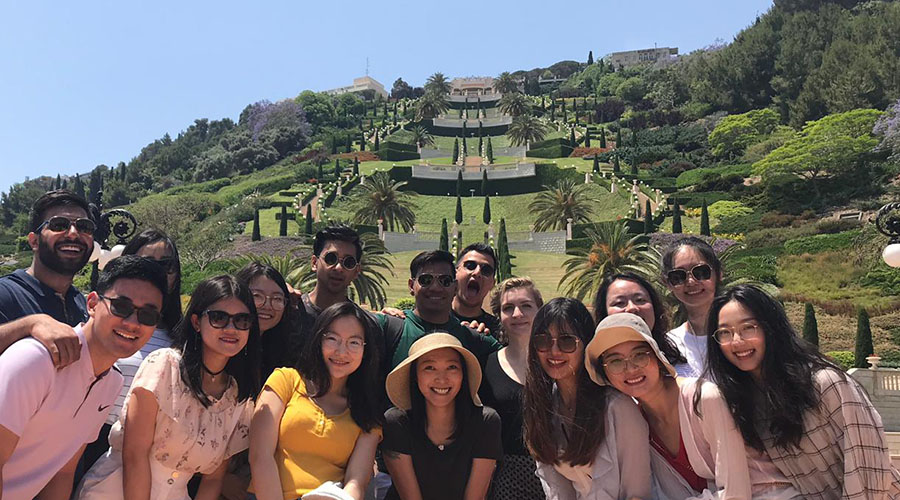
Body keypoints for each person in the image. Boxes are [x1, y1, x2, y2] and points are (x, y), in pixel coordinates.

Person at [74, 275, 262, 500]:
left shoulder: (236, 396)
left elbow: (213, 479)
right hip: (115, 491)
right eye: (219, 318)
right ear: (196, 322)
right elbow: (135, 455)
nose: (231, 328)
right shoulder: (164, 365)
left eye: (242, 321)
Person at [704, 285, 900, 498]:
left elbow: (869, 469)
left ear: (771, 328)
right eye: (725, 332)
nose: (737, 341)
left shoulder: (825, 383)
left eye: (748, 328)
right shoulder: (750, 401)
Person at [0, 255, 167, 500]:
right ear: (92, 304)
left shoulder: (111, 383)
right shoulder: (35, 361)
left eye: (148, 316)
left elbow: (63, 473)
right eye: (121, 307)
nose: (132, 323)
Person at [249, 302, 384, 500]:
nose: (341, 351)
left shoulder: (367, 411)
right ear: (318, 340)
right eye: (332, 339)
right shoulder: (286, 381)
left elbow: (357, 480)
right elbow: (260, 456)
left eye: (354, 342)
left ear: (366, 350)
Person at [587, 313, 726, 499]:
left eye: (639, 356)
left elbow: (738, 488)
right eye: (616, 362)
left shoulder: (702, 399)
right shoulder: (636, 423)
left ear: (657, 356)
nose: (630, 369)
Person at [523, 298, 651, 500]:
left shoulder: (617, 407)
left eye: (566, 341)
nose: (554, 351)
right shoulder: (543, 406)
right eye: (543, 340)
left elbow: (638, 492)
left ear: (586, 344)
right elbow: (557, 490)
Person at [82, 228, 184, 472]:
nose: (157, 271)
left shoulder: (183, 336)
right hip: (93, 438)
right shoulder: (106, 322)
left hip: (150, 450)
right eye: (147, 262)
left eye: (166, 264)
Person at [382, 333, 502, 500]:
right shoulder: (396, 422)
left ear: (463, 375)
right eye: (429, 368)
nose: (441, 379)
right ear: (415, 376)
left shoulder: (485, 422)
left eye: (452, 367)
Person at [0, 189, 94, 367]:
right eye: (59, 225)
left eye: (84, 227)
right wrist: (30, 325)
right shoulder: (6, 293)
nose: (73, 233)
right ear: (34, 241)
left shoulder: (80, 303)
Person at [479, 277, 545, 500]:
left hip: (562, 469)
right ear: (499, 316)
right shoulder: (487, 366)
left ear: (540, 310)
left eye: (526, 305)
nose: (518, 314)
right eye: (508, 308)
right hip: (508, 475)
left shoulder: (559, 361)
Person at [381, 250, 500, 373]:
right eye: (426, 280)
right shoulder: (388, 327)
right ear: (411, 285)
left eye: (445, 280)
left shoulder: (476, 338)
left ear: (455, 287)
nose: (435, 287)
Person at [381, 244, 499, 339]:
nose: (477, 273)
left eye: (486, 270)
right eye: (470, 265)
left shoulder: (496, 332)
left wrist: (480, 338)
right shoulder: (401, 322)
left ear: (492, 283)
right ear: (456, 274)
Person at [592, 272, 687, 373]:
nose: (632, 308)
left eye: (640, 300)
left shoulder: (684, 359)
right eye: (619, 303)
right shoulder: (595, 374)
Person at [661, 237, 723, 377]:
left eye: (701, 272)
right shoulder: (670, 345)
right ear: (667, 283)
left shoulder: (744, 332)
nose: (690, 282)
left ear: (719, 273)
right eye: (678, 276)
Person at [235, 262, 307, 377]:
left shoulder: (280, 354)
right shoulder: (223, 349)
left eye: (277, 298)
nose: (267, 306)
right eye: (257, 296)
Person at [300, 225, 363, 326]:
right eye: (331, 259)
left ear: (356, 271)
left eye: (348, 262)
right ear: (314, 263)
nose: (339, 268)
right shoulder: (290, 314)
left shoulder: (363, 324)